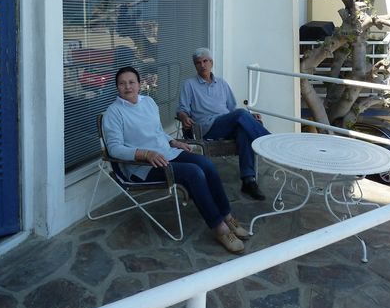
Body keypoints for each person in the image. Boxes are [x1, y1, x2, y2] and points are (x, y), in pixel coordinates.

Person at [102, 66, 249, 254]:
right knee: (193, 173)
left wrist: (173, 142)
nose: (127, 87)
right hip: (142, 166)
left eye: (131, 82)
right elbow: (115, 149)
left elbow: (157, 132)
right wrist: (145, 154)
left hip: (166, 153)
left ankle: (228, 217)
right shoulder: (113, 113)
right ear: (117, 88)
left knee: (207, 164)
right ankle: (219, 228)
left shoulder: (148, 102)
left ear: (139, 85)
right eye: (122, 84)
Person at [177, 48, 270, 201]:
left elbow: (232, 109)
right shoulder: (189, 84)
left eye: (205, 61)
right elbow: (182, 110)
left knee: (243, 130)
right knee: (241, 114)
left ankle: (248, 181)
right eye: (198, 63)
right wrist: (184, 117)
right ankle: (268, 143)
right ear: (195, 66)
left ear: (211, 63)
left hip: (227, 122)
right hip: (207, 127)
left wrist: (250, 116)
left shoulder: (221, 83)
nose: (202, 65)